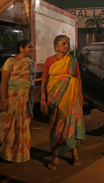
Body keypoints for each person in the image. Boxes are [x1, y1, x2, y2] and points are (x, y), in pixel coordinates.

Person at [0, 39, 35, 163]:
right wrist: (2, 100)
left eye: (32, 47)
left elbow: (31, 82)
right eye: (29, 47)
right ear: (21, 48)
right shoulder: (10, 61)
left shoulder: (30, 63)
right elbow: (4, 82)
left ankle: (18, 153)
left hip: (25, 99)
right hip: (12, 97)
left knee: (21, 125)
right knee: (4, 125)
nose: (32, 49)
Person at [40, 35, 85, 170]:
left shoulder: (73, 61)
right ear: (56, 46)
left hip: (72, 98)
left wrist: (81, 96)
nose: (67, 46)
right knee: (56, 126)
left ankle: (75, 155)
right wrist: (42, 98)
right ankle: (55, 157)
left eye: (68, 43)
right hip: (55, 98)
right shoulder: (49, 61)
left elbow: (78, 78)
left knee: (72, 124)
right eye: (64, 43)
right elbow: (44, 80)